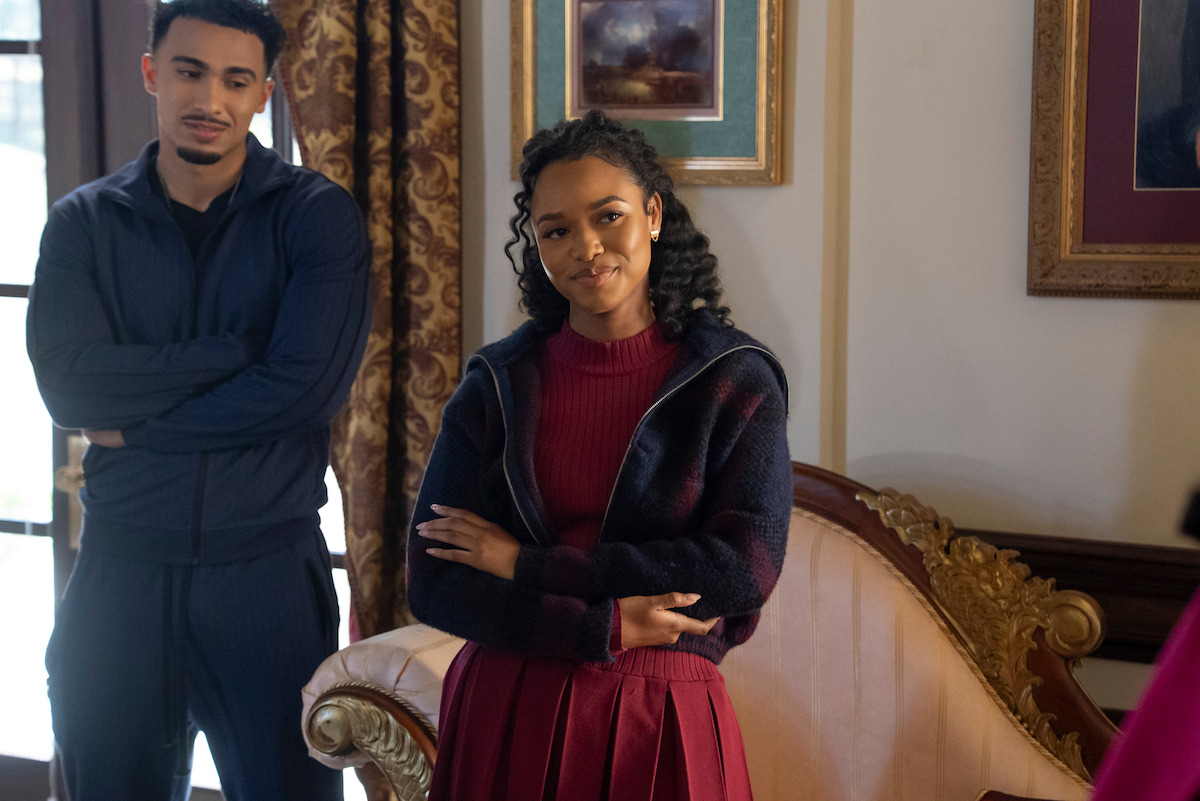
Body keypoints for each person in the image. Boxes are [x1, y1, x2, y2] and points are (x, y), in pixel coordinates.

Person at [25, 1, 369, 799]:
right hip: (119, 573)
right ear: (152, 73)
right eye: (189, 71)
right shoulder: (81, 225)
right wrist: (242, 353)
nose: (209, 98)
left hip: (267, 578)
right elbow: (68, 388)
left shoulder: (317, 219)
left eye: (234, 79)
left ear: (264, 95)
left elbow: (307, 387)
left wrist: (134, 423)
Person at [406, 110, 791, 800]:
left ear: (651, 214)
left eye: (607, 216)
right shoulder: (496, 383)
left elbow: (740, 571)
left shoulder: (735, 378)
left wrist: (524, 563)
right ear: (538, 245)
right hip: (506, 706)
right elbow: (434, 582)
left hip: (661, 711)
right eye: (556, 230)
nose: (586, 246)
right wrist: (601, 623)